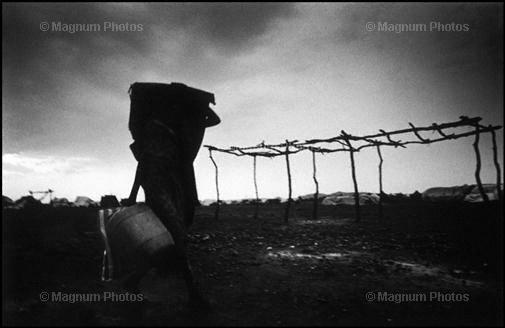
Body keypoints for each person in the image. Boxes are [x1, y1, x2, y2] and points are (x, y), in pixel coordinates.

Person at [126, 82, 220, 307]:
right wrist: (132, 195)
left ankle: (133, 281)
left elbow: (214, 120)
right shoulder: (154, 127)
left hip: (173, 187)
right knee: (176, 237)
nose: (176, 110)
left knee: (169, 241)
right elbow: (144, 164)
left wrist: (192, 99)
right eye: (173, 106)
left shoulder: (177, 131)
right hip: (158, 188)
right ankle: (194, 294)